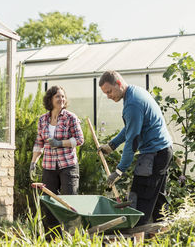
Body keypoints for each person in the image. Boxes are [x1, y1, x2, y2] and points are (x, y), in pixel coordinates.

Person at [98, 70, 172, 226]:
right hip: (163, 151)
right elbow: (131, 127)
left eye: (109, 91)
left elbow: (133, 141)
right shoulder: (134, 92)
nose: (108, 96)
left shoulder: (132, 104)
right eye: (105, 93)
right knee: (159, 202)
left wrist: (119, 171)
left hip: (153, 155)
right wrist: (112, 145)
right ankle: (162, 239)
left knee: (138, 203)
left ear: (118, 83)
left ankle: (136, 240)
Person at [30, 85, 84, 235]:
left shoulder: (70, 117)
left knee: (69, 201)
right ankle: (52, 239)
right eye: (57, 96)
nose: (61, 99)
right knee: (50, 204)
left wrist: (61, 143)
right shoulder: (42, 120)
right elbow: (39, 142)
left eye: (63, 96)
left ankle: (71, 236)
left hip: (68, 165)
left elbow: (80, 140)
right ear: (50, 100)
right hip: (48, 166)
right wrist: (33, 162)